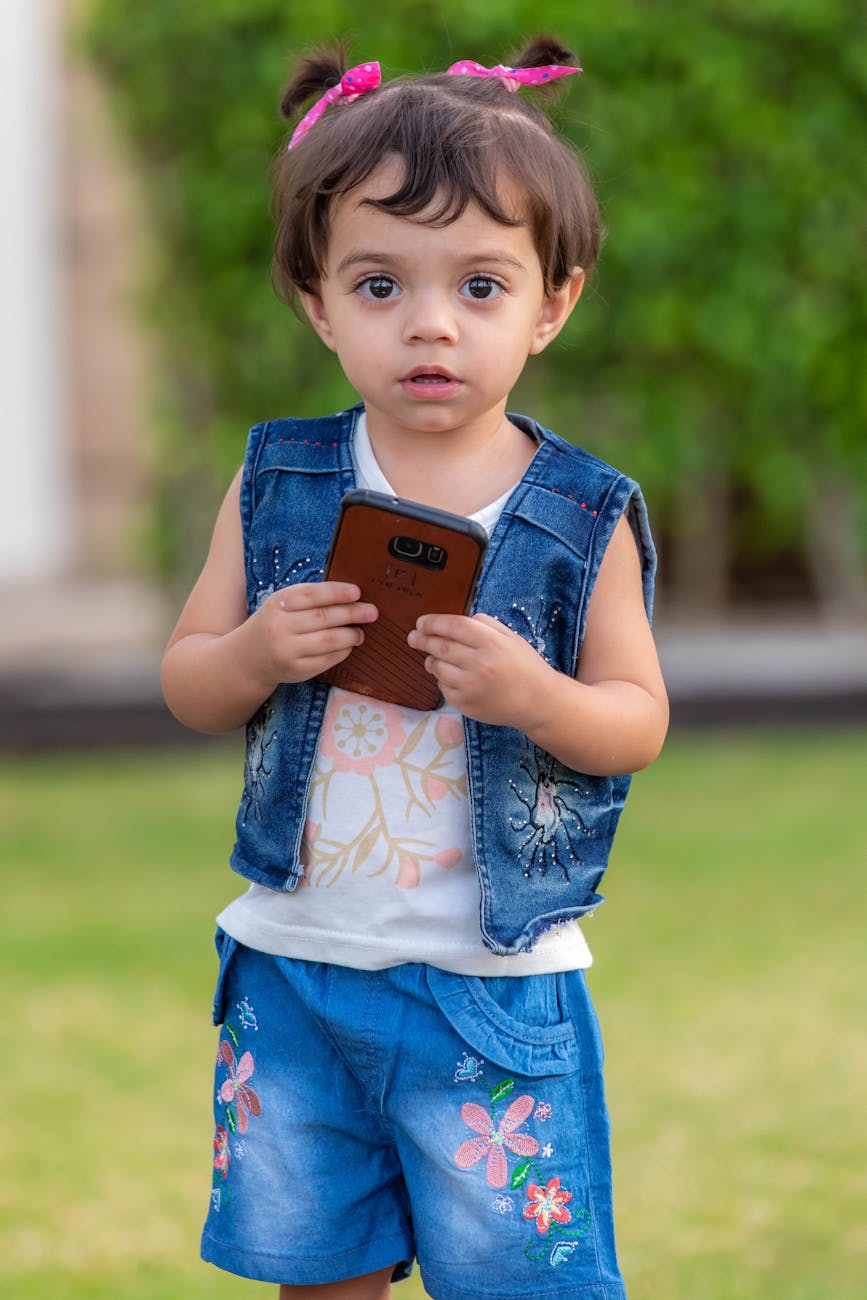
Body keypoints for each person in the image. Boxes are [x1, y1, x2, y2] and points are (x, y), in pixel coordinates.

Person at [161, 35, 668, 1300]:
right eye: (380, 285)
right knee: (317, 1272)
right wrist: (254, 651)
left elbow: (637, 718)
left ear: (556, 301)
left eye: (481, 287)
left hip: (487, 984)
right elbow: (185, 677)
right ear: (316, 302)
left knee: (521, 1280)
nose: (429, 323)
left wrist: (535, 696)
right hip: (297, 963)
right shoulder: (278, 479)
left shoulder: (578, 513)